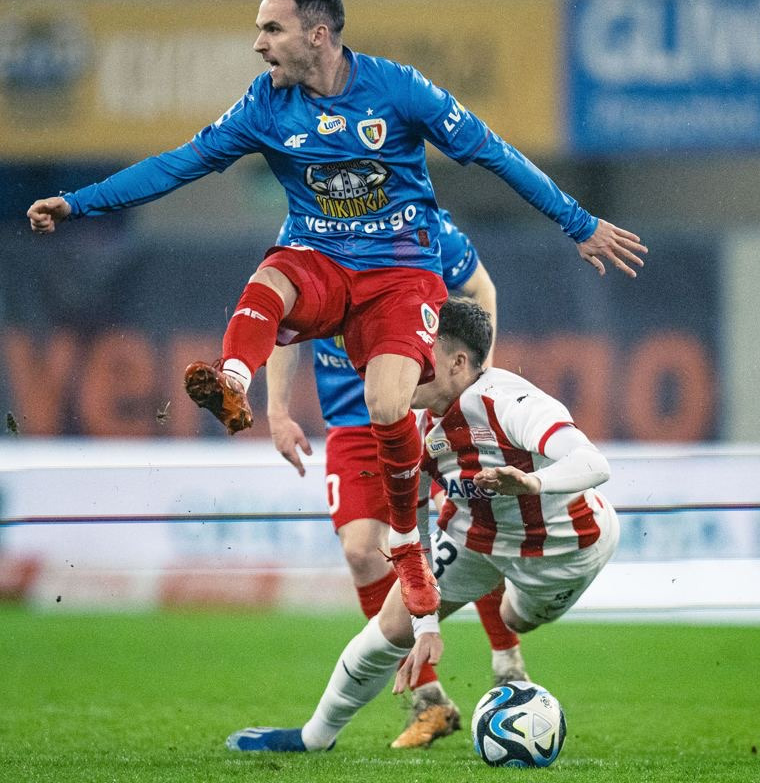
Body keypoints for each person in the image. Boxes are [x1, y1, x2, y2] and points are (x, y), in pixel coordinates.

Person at [26, 0, 646, 621]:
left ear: (317, 35)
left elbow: (493, 153)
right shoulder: (265, 104)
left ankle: (407, 544)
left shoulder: (398, 89)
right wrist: (77, 204)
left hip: (400, 272)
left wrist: (579, 223)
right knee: (271, 278)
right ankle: (232, 378)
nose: (259, 44)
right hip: (321, 258)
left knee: (388, 406)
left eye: (272, 29)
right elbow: (178, 163)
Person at [226, 297, 618, 752]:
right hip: (474, 539)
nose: (405, 361)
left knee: (515, 617)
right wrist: (425, 621)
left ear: (458, 362)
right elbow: (412, 521)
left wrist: (532, 482)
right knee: (391, 627)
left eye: (419, 353)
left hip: (565, 549)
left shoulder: (511, 403)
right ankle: (314, 738)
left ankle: (509, 651)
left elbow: (594, 463)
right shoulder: (410, 424)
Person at [265, 211, 527, 749]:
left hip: (424, 404)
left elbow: (481, 288)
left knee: (468, 523)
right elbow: (281, 324)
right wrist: (276, 409)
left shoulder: (416, 221)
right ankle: (429, 700)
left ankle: (508, 665)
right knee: (363, 552)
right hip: (352, 417)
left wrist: (476, 381)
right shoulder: (299, 232)